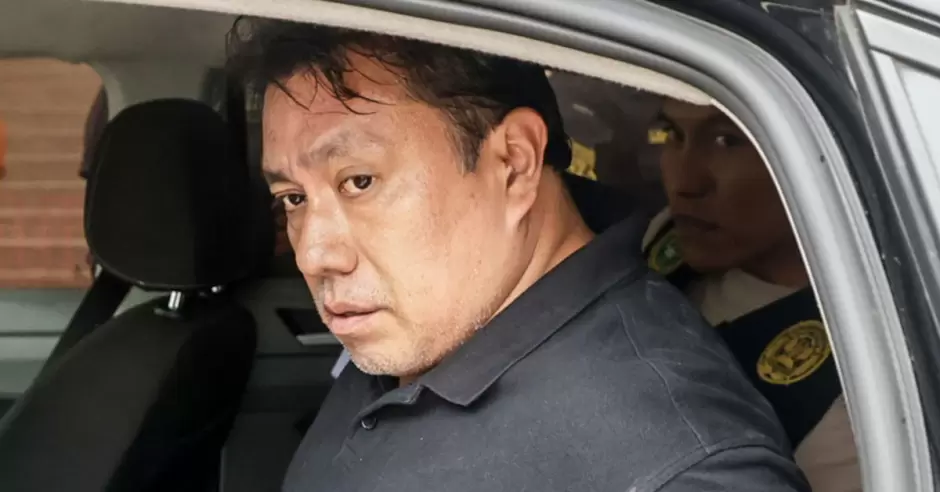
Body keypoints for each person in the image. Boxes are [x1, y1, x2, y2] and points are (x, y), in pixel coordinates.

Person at [227, 19, 809, 492]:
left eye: (359, 181)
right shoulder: (432, 319)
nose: (314, 255)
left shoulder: (683, 470)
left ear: (514, 162)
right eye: (294, 198)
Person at [634, 98, 860, 492]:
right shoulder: (668, 239)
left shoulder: (849, 392)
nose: (685, 183)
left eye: (728, 141)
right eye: (673, 135)